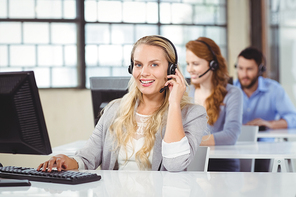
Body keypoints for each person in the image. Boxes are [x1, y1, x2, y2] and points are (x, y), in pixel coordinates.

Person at [37, 35, 207, 172]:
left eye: (154, 64)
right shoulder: (114, 109)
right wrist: (68, 162)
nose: (144, 73)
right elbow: (87, 159)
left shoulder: (192, 114)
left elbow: (174, 165)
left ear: (171, 70)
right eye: (138, 65)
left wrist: (174, 104)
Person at [233, 46, 296, 171]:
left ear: (261, 69)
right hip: (235, 147)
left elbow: (293, 118)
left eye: (249, 69)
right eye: (240, 68)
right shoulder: (229, 90)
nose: (244, 74)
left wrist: (269, 123)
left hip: (265, 149)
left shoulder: (274, 89)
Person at [186, 37, 243, 172]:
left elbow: (230, 135)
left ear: (213, 64)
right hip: (192, 164)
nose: (189, 69)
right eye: (188, 63)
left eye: (195, 64)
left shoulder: (233, 93)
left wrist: (189, 142)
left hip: (222, 167)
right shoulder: (186, 93)